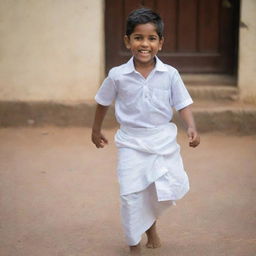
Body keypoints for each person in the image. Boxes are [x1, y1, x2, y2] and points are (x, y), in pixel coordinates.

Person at [91, 8, 200, 255]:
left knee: (157, 188)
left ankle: (150, 226)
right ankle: (133, 244)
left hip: (162, 140)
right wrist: (96, 130)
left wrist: (191, 126)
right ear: (127, 41)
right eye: (138, 37)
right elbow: (102, 102)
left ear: (160, 43)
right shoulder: (117, 75)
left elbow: (182, 103)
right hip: (131, 142)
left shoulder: (170, 74)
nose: (144, 44)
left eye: (152, 38)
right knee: (130, 193)